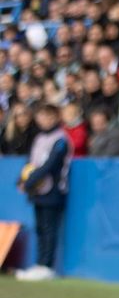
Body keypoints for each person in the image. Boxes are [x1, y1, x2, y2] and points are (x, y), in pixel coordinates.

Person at [15, 102, 70, 281]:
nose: (44, 120)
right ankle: (39, 263)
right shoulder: (39, 138)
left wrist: (30, 181)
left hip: (52, 190)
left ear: (55, 118)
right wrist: (22, 179)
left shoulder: (60, 139)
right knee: (39, 227)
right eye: (42, 116)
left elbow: (51, 165)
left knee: (49, 227)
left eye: (48, 116)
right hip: (37, 191)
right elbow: (31, 162)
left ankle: (47, 265)